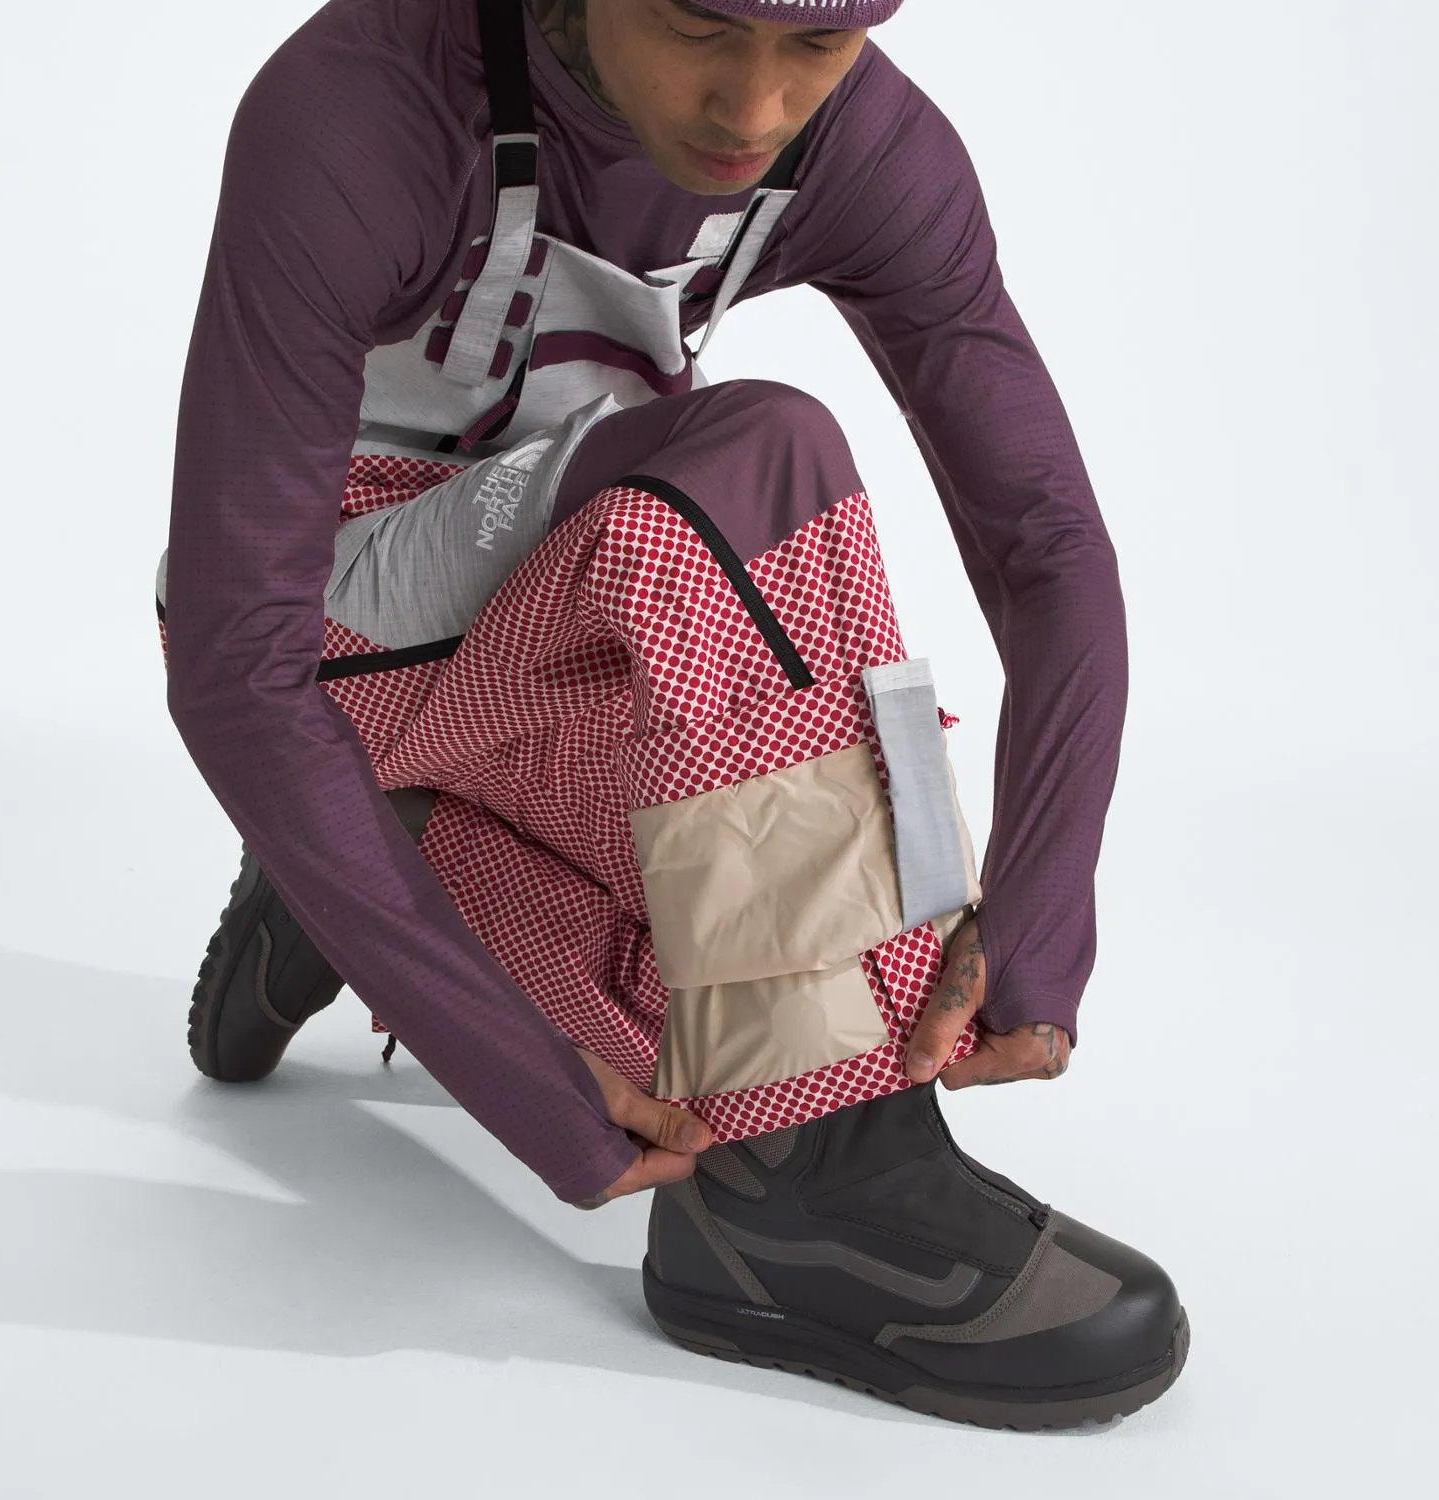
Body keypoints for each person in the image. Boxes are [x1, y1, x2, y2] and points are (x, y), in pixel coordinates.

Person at [156, 0, 1189, 1428]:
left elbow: (1047, 543)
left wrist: (1037, 902)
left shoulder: (869, 145)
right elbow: (236, 658)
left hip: (578, 592)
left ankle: (362, 855)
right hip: (326, 609)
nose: (755, 107)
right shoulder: (360, 103)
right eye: (701, 26)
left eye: (814, 47)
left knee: (787, 882)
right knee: (766, 452)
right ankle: (803, 1186)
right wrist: (510, 1071)